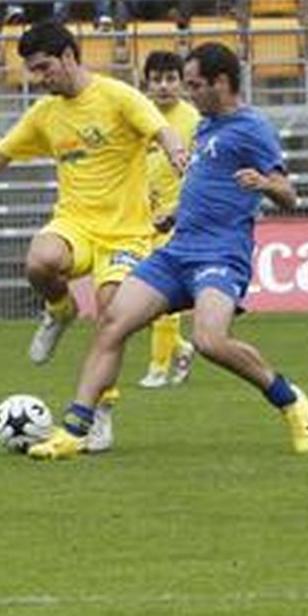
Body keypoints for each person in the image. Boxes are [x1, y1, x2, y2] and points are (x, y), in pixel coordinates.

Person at [27, 40, 308, 460]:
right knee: (113, 322)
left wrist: (267, 184)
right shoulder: (205, 126)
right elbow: (208, 181)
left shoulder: (252, 127)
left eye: (196, 84)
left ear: (221, 83)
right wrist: (174, 214)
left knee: (210, 341)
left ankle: (288, 397)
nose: (189, 93)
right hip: (177, 251)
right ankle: (75, 430)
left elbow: (290, 195)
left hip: (220, 254)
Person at [0, 20, 189, 455]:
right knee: (39, 261)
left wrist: (174, 150)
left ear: (67, 56)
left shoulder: (117, 96)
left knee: (111, 313)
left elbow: (161, 128)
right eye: (34, 72)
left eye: (44, 69)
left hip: (126, 232)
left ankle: (100, 412)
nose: (40, 79)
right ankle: (59, 309)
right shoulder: (45, 113)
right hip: (75, 224)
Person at [136, 49, 200, 389]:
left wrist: (180, 209)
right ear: (146, 82)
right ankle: (181, 349)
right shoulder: (139, 116)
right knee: (140, 297)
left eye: (170, 79)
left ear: (181, 82)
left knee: (163, 295)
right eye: (157, 79)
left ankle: (158, 369)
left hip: (179, 220)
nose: (163, 86)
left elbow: (199, 170)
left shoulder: (192, 120)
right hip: (140, 220)